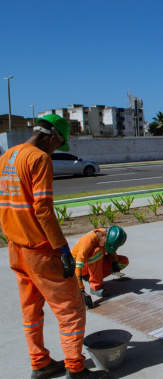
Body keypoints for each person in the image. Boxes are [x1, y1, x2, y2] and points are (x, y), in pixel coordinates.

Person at [0, 114, 108, 378]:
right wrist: (61, 249)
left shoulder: (6, 157)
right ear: (51, 138)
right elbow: (43, 209)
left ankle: (40, 363)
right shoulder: (38, 158)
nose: (55, 150)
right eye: (57, 145)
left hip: (16, 248)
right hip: (40, 249)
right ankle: (76, 369)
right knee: (71, 308)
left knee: (31, 309)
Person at [72, 226, 128, 301]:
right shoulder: (87, 241)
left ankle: (92, 277)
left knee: (123, 261)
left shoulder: (105, 236)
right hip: (79, 267)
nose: (106, 246)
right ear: (103, 235)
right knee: (97, 251)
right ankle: (95, 287)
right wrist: (81, 290)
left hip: (92, 264)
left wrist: (114, 263)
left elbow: (111, 249)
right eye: (106, 244)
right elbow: (78, 266)